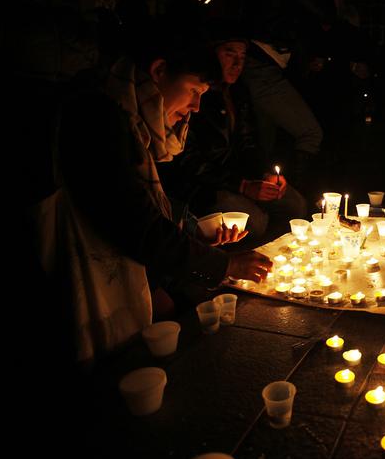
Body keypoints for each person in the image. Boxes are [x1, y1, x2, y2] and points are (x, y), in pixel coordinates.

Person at [33, 30, 271, 364]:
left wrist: (195, 236)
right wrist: (225, 264)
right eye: (193, 90)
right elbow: (131, 220)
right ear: (159, 71)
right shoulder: (96, 119)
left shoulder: (136, 124)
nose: (197, 106)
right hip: (77, 285)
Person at [162, 24, 307, 247]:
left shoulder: (238, 92)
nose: (238, 64)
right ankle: (236, 263)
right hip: (204, 187)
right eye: (230, 54)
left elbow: (248, 143)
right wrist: (241, 186)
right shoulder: (193, 98)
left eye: (242, 56)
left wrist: (265, 175)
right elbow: (188, 162)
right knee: (255, 221)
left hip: (238, 177)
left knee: (294, 205)